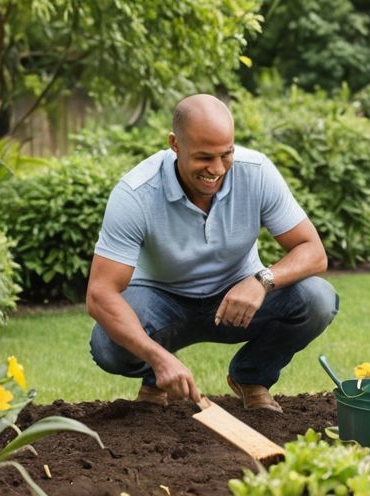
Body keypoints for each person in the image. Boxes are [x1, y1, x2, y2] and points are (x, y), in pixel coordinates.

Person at [87, 94, 339, 412]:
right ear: (175, 144)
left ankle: (252, 376)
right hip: (161, 300)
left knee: (318, 300)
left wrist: (262, 280)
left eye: (226, 154)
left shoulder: (256, 172)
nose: (217, 169)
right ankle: (157, 375)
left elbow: (313, 252)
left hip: (238, 298)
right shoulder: (137, 193)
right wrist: (157, 357)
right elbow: (100, 293)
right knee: (108, 346)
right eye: (204, 157)